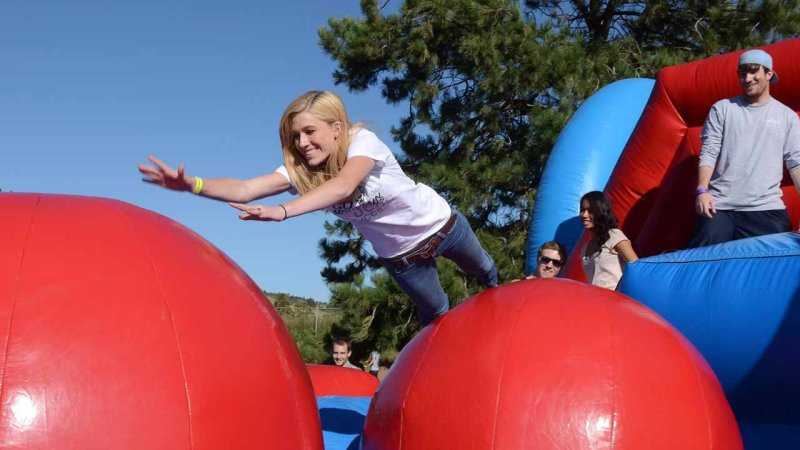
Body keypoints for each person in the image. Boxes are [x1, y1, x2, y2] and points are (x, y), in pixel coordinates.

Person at [138, 90, 497, 326]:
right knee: (435, 314)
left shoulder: (362, 142)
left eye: (309, 131)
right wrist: (193, 185)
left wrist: (283, 211)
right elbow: (247, 189)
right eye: (295, 136)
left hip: (443, 227)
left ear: (336, 128)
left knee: (486, 272)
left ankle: (507, 313)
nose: (302, 143)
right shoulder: (303, 172)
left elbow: (343, 185)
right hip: (401, 257)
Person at [689, 49, 800, 248]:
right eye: (742, 73)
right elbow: (709, 151)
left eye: (753, 72)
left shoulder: (787, 116)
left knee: (777, 267)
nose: (747, 78)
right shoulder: (722, 108)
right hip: (720, 206)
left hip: (766, 208)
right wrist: (702, 190)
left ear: (768, 74)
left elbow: (796, 163)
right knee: (702, 262)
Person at [579, 191, 638, 290]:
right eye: (582, 210)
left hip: (615, 299)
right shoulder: (586, 247)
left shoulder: (614, 236)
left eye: (590, 211)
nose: (584, 215)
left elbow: (637, 268)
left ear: (601, 211)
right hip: (595, 300)